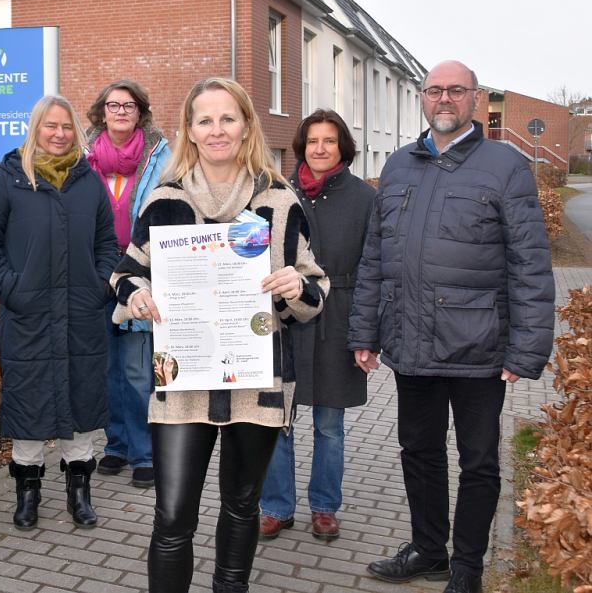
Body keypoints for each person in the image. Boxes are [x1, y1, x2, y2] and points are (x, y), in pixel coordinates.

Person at [111, 77, 327, 593]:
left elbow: (317, 286)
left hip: (258, 378)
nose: (216, 130)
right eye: (204, 120)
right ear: (189, 129)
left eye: (228, 118)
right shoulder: (165, 200)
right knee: (172, 517)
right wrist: (136, 295)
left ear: (247, 124)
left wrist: (297, 284)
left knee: (241, 506)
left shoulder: (279, 200)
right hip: (183, 379)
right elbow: (124, 274)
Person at [348, 60, 555, 593]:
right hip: (412, 345)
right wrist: (364, 333)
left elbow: (529, 264)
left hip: (479, 348)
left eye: (455, 90)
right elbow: (375, 258)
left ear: (475, 99)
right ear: (423, 97)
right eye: (435, 90)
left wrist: (525, 351)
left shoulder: (505, 167)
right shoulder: (396, 167)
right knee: (418, 451)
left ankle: (467, 566)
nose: (444, 99)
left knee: (479, 461)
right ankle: (428, 549)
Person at [0, 95, 118, 532]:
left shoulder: (89, 181)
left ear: (77, 131)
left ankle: (79, 493)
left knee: (82, 407)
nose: (58, 134)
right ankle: (28, 494)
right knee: (28, 410)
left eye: (67, 127)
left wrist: (98, 285)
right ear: (35, 129)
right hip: (27, 318)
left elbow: (107, 243)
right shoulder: (11, 178)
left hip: (82, 316)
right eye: (50, 126)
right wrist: (12, 289)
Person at [259, 109, 375, 542]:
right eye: (312, 141)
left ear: (343, 146)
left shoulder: (364, 198)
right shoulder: (279, 193)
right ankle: (275, 507)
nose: (320, 148)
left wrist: (368, 334)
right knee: (277, 421)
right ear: (301, 147)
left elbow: (373, 269)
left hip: (339, 321)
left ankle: (324, 507)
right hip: (285, 319)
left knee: (329, 425)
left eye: (329, 140)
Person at [85, 79, 171, 489]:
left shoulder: (162, 157)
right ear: (101, 112)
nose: (120, 111)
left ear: (141, 113)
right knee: (106, 370)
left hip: (141, 276)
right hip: (94, 275)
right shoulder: (81, 158)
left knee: (138, 370)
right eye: (113, 105)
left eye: (129, 105)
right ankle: (115, 445)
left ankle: (144, 452)